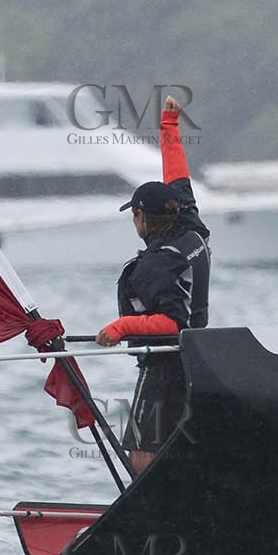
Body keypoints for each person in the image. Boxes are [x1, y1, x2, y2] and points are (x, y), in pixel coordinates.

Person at [94, 95, 210, 475]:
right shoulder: (191, 228)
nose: (134, 222)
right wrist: (169, 125)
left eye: (135, 215)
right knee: (178, 443)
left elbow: (172, 324)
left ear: (143, 217)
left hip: (165, 364)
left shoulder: (157, 265)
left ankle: (154, 518)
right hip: (199, 359)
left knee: (142, 452)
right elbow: (177, 173)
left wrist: (121, 327)